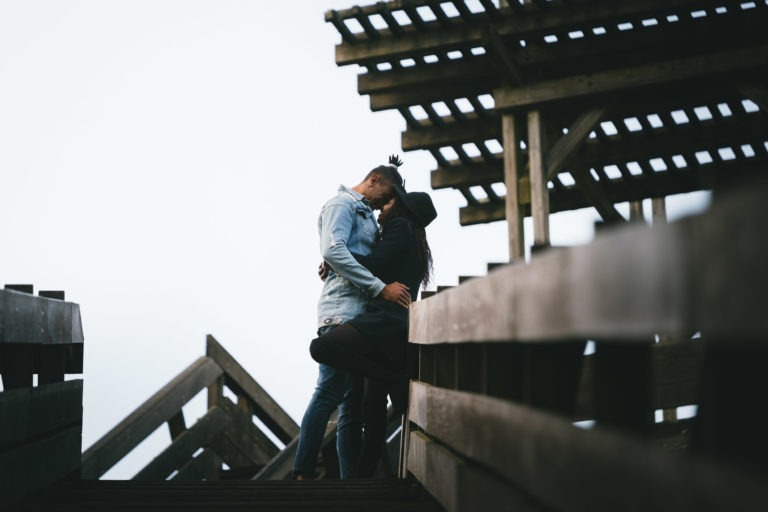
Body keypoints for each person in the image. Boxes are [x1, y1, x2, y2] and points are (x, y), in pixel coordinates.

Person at [292, 157, 412, 480]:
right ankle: (302, 470)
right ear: (373, 179)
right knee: (328, 391)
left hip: (360, 320)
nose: (384, 203)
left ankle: (349, 483)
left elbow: (357, 257)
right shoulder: (341, 204)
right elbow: (333, 250)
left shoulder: (369, 219)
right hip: (340, 312)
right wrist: (380, 289)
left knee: (349, 409)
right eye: (385, 194)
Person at [310, 184, 437, 477]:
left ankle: (392, 378)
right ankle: (364, 477)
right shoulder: (414, 237)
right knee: (374, 404)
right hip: (399, 325)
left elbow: (377, 264)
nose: (379, 212)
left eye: (387, 205)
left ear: (403, 208)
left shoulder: (401, 227)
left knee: (322, 348)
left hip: (386, 320)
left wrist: (335, 262)